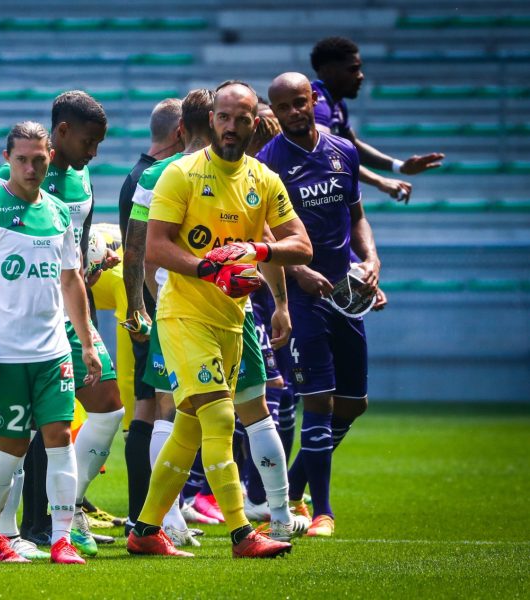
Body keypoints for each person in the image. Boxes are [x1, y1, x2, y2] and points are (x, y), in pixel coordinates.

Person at [126, 81, 312, 559]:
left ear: (255, 122)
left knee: (189, 427)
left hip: (234, 319)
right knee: (221, 415)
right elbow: (157, 245)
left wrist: (256, 249)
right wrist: (210, 267)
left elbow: (301, 245)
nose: (232, 126)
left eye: (242, 118)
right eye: (224, 117)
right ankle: (242, 534)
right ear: (212, 120)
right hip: (183, 315)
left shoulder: (263, 180)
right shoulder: (181, 174)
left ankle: (145, 530)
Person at [0, 121, 102, 565]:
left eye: (39, 159)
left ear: (50, 157)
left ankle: (61, 539)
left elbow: (71, 279)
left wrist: (86, 340)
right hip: (4, 354)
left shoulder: (59, 212)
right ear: (7, 159)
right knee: (12, 447)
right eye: (21, 158)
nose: (31, 167)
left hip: (53, 350)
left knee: (59, 436)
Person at [0, 92, 123, 557]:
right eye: (89, 141)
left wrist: (91, 264)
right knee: (27, 425)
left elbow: (77, 241)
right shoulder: (18, 183)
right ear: (61, 132)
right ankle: (16, 529)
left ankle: (66, 509)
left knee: (108, 406)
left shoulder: (82, 176)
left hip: (72, 306)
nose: (93, 152)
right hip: (32, 313)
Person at [258, 72, 381, 538]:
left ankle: (292, 484)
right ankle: (322, 511)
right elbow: (262, 236)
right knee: (319, 403)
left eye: (299, 102)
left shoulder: (341, 151)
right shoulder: (267, 165)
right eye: (282, 106)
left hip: (345, 296)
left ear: (313, 100)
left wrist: (370, 259)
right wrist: (294, 272)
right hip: (302, 300)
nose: (292, 112)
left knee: (354, 404)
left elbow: (356, 217)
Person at [125, 89, 220, 543]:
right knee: (178, 407)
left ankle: (168, 515)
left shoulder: (156, 173)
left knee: (179, 409)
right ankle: (167, 516)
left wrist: (143, 302)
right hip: (187, 308)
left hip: (179, 306)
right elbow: (140, 250)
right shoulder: (172, 174)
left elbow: (140, 253)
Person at [119, 98, 183, 528]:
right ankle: (151, 514)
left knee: (147, 405)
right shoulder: (154, 178)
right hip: (158, 309)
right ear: (182, 133)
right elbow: (137, 253)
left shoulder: (136, 175)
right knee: (160, 406)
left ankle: (144, 512)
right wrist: (152, 310)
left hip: (148, 307)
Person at [309, 36, 444, 203]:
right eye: (353, 69)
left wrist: (399, 167)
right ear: (328, 70)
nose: (361, 76)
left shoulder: (336, 105)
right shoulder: (317, 104)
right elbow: (323, 153)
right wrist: (379, 181)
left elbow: (353, 147)